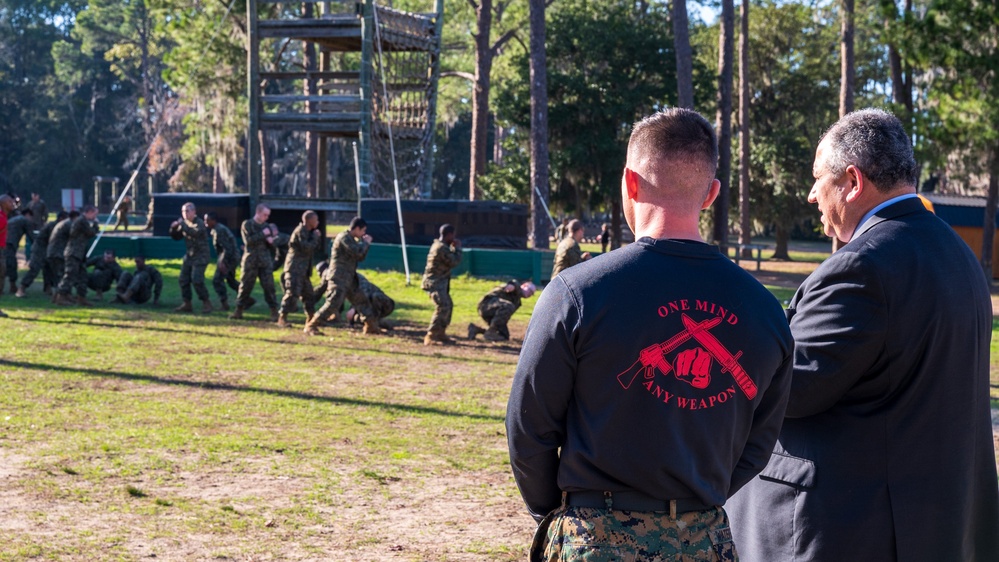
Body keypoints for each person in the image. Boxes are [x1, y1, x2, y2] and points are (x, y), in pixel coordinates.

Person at [506, 108, 794, 561]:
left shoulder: (577, 293)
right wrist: (697, 499)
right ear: (711, 193)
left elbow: (529, 430)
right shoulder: (765, 310)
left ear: (629, 183)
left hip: (596, 540)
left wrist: (565, 512)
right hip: (704, 541)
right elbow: (758, 446)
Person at [726, 109, 999, 562]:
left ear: (852, 183)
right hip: (933, 522)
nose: (812, 195)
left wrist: (728, 338)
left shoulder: (863, 267)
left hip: (847, 528)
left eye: (818, 179)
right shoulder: (957, 254)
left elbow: (788, 390)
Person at [303, 217, 377, 335]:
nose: (364, 234)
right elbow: (358, 253)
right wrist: (366, 243)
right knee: (333, 303)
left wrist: (364, 244)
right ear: (357, 228)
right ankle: (312, 325)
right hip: (339, 277)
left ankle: (371, 326)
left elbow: (361, 256)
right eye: (363, 231)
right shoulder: (344, 238)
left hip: (349, 278)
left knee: (362, 301)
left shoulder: (352, 239)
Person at [231, 204, 279, 321]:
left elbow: (273, 247)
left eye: (268, 215)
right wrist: (263, 234)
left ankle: (274, 312)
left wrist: (271, 242)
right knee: (245, 286)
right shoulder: (247, 224)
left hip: (265, 262)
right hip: (251, 261)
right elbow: (248, 241)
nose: (266, 217)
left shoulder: (267, 226)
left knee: (269, 287)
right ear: (258, 213)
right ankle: (239, 310)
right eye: (265, 215)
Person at [277, 211, 322, 328]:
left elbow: (313, 248)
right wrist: (315, 237)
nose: (318, 222)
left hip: (303, 270)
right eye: (316, 220)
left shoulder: (309, 232)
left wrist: (315, 237)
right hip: (295, 269)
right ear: (309, 221)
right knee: (292, 293)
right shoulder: (300, 231)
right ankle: (282, 318)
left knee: (309, 295)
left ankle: (311, 318)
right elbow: (306, 247)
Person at [421, 224, 462, 345]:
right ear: (449, 234)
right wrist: (458, 248)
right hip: (434, 282)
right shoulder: (441, 248)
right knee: (443, 306)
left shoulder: (440, 245)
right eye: (453, 235)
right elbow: (454, 261)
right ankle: (431, 335)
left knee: (447, 305)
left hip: (439, 282)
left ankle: (440, 333)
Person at [169, 202, 213, 313]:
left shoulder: (199, 223)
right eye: (183, 211)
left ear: (194, 212)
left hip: (201, 256)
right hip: (190, 255)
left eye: (187, 211)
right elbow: (177, 237)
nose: (185, 213)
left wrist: (182, 224)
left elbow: (195, 233)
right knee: (183, 279)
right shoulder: (185, 223)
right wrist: (173, 228)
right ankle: (187, 303)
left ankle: (206, 302)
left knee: (197, 280)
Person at [54, 204, 99, 306]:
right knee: (70, 275)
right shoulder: (81, 221)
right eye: (94, 214)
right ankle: (61, 295)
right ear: (89, 212)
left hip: (79, 253)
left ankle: (81, 297)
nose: (95, 217)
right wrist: (96, 225)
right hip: (73, 252)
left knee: (82, 276)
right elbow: (90, 233)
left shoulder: (82, 221)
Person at [468, 280, 536, 342]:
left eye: (532, 293)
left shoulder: (517, 302)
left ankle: (476, 329)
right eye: (529, 290)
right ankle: (490, 332)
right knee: (509, 306)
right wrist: (510, 287)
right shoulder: (516, 287)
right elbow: (511, 285)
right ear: (524, 285)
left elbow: (504, 316)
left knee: (504, 336)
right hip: (486, 305)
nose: (530, 294)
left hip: (494, 312)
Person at [18, 210, 65, 297]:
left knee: (49, 270)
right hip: (40, 249)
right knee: (34, 269)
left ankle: (48, 288)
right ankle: (22, 288)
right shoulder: (53, 226)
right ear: (61, 218)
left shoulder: (57, 225)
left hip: (48, 249)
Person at [204, 212, 241, 311]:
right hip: (232, 257)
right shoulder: (216, 229)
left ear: (213, 220)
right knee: (231, 280)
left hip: (230, 258)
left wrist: (222, 262)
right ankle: (246, 298)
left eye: (207, 220)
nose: (205, 222)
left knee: (217, 280)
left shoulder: (219, 230)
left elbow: (227, 248)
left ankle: (224, 304)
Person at [46, 210, 78, 303]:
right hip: (57, 253)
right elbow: (75, 234)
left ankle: (62, 296)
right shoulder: (68, 224)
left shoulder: (63, 223)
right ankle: (60, 297)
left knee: (60, 275)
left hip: (54, 252)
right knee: (62, 275)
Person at [4, 208, 33, 294]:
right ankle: (12, 286)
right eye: (31, 217)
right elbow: (31, 235)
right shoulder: (24, 220)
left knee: (6, 263)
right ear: (28, 214)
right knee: (11, 264)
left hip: (5, 242)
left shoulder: (15, 219)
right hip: (9, 243)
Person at [0, 194, 14, 317]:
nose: (12, 203)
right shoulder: (1, 218)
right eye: (10, 202)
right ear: (3, 204)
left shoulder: (4, 216)